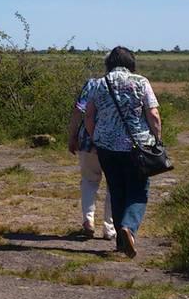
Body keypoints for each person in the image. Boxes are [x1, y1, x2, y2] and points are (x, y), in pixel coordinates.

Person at [81, 46, 161, 258]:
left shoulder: (99, 84)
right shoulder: (141, 82)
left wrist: (95, 137)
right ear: (130, 63)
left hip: (106, 147)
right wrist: (157, 138)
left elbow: (88, 115)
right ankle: (129, 229)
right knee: (138, 191)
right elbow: (153, 114)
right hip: (136, 146)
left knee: (116, 190)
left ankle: (120, 241)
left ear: (109, 63)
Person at [67, 80, 114, 240]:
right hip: (116, 143)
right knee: (114, 184)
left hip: (88, 141)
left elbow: (78, 111)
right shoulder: (130, 85)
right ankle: (109, 228)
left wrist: (72, 136)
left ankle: (88, 219)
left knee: (89, 180)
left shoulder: (92, 85)